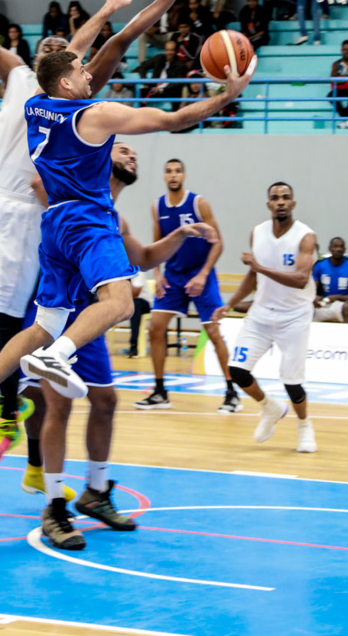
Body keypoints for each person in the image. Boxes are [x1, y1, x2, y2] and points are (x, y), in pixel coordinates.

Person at [0, 0, 203, 469]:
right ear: (49, 62)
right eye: (59, 47)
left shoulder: (58, 95)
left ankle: (2, 404)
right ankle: (13, 402)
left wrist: (115, 8)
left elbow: (107, 43)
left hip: (36, 212)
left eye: (68, 46)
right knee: (11, 310)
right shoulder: (23, 79)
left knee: (27, 313)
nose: (65, 48)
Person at [0, 39, 256, 448]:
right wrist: (227, 95)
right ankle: (57, 356)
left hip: (54, 225)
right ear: (66, 83)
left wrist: (125, 10)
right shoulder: (96, 115)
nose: (90, 73)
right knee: (121, 302)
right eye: (81, 70)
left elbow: (65, 64)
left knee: (45, 324)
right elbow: (174, 119)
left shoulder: (35, 107)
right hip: (88, 221)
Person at [30, 143, 219, 550]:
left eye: (137, 151)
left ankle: (95, 492)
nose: (135, 155)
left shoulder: (115, 219)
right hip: (58, 315)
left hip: (92, 319)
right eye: (124, 150)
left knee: (106, 402)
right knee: (59, 406)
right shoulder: (74, 193)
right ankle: (54, 507)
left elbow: (146, 256)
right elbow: (35, 182)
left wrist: (182, 233)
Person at [212, 182, 318, 453]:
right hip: (262, 312)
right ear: (268, 204)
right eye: (275, 198)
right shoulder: (257, 233)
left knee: (292, 381)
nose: (280, 202)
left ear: (293, 204)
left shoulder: (305, 236)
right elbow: (253, 276)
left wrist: (259, 267)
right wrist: (230, 304)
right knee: (236, 369)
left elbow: (301, 279)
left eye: (286, 198)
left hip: (295, 315)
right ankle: (269, 408)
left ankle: (304, 426)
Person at [135, 157, 240, 414]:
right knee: (155, 329)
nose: (173, 175)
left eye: (178, 171)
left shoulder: (198, 203)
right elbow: (157, 243)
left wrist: (203, 274)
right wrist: (157, 274)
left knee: (213, 332)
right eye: (169, 171)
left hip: (200, 274)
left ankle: (231, 393)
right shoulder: (157, 206)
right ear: (164, 177)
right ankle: (160, 392)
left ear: (183, 176)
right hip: (173, 274)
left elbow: (218, 242)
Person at [312, 237, 348, 323]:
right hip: (325, 304)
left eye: (341, 247)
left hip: (345, 304)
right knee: (305, 308)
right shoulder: (320, 265)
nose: (338, 249)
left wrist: (337, 297)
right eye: (335, 246)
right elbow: (311, 289)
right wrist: (315, 297)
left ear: (344, 249)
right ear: (330, 249)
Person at [135, 39, 188, 105]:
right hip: (154, 88)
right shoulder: (159, 58)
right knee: (141, 93)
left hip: (169, 90)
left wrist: (161, 90)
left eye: (171, 50)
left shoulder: (181, 65)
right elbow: (142, 66)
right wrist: (144, 81)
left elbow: (178, 82)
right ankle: (142, 114)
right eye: (167, 50)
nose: (169, 53)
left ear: (175, 51)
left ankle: (174, 114)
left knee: (176, 92)